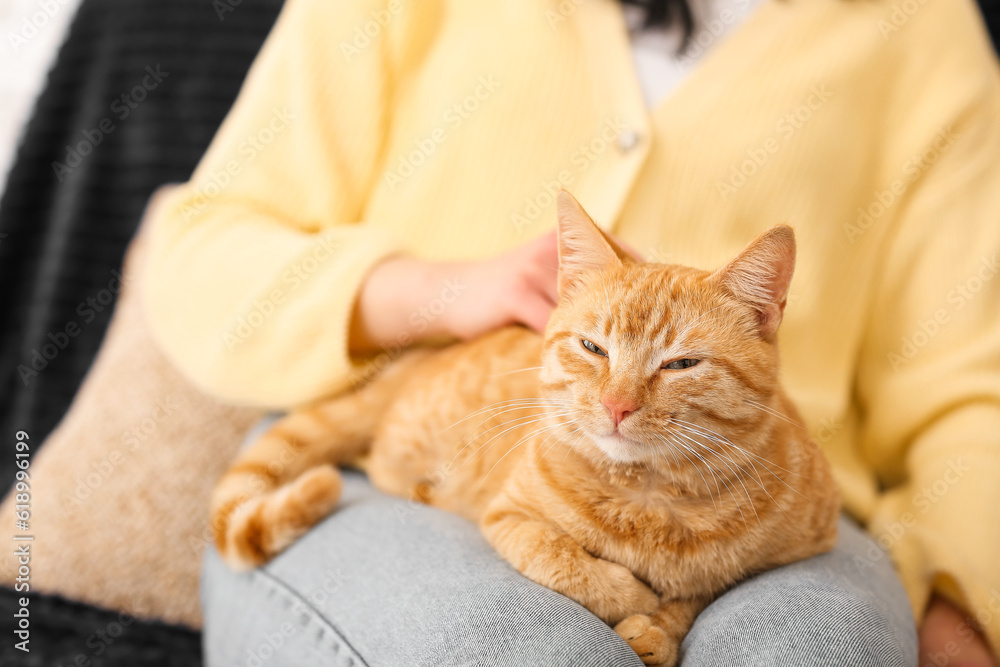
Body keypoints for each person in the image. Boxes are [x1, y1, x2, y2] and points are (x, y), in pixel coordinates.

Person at [141, 0, 1000, 663]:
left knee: (817, 649)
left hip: (750, 482)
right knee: (532, 648)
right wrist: (439, 291)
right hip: (409, 459)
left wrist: (967, 603)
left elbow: (971, 388)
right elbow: (198, 250)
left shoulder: (920, 26)